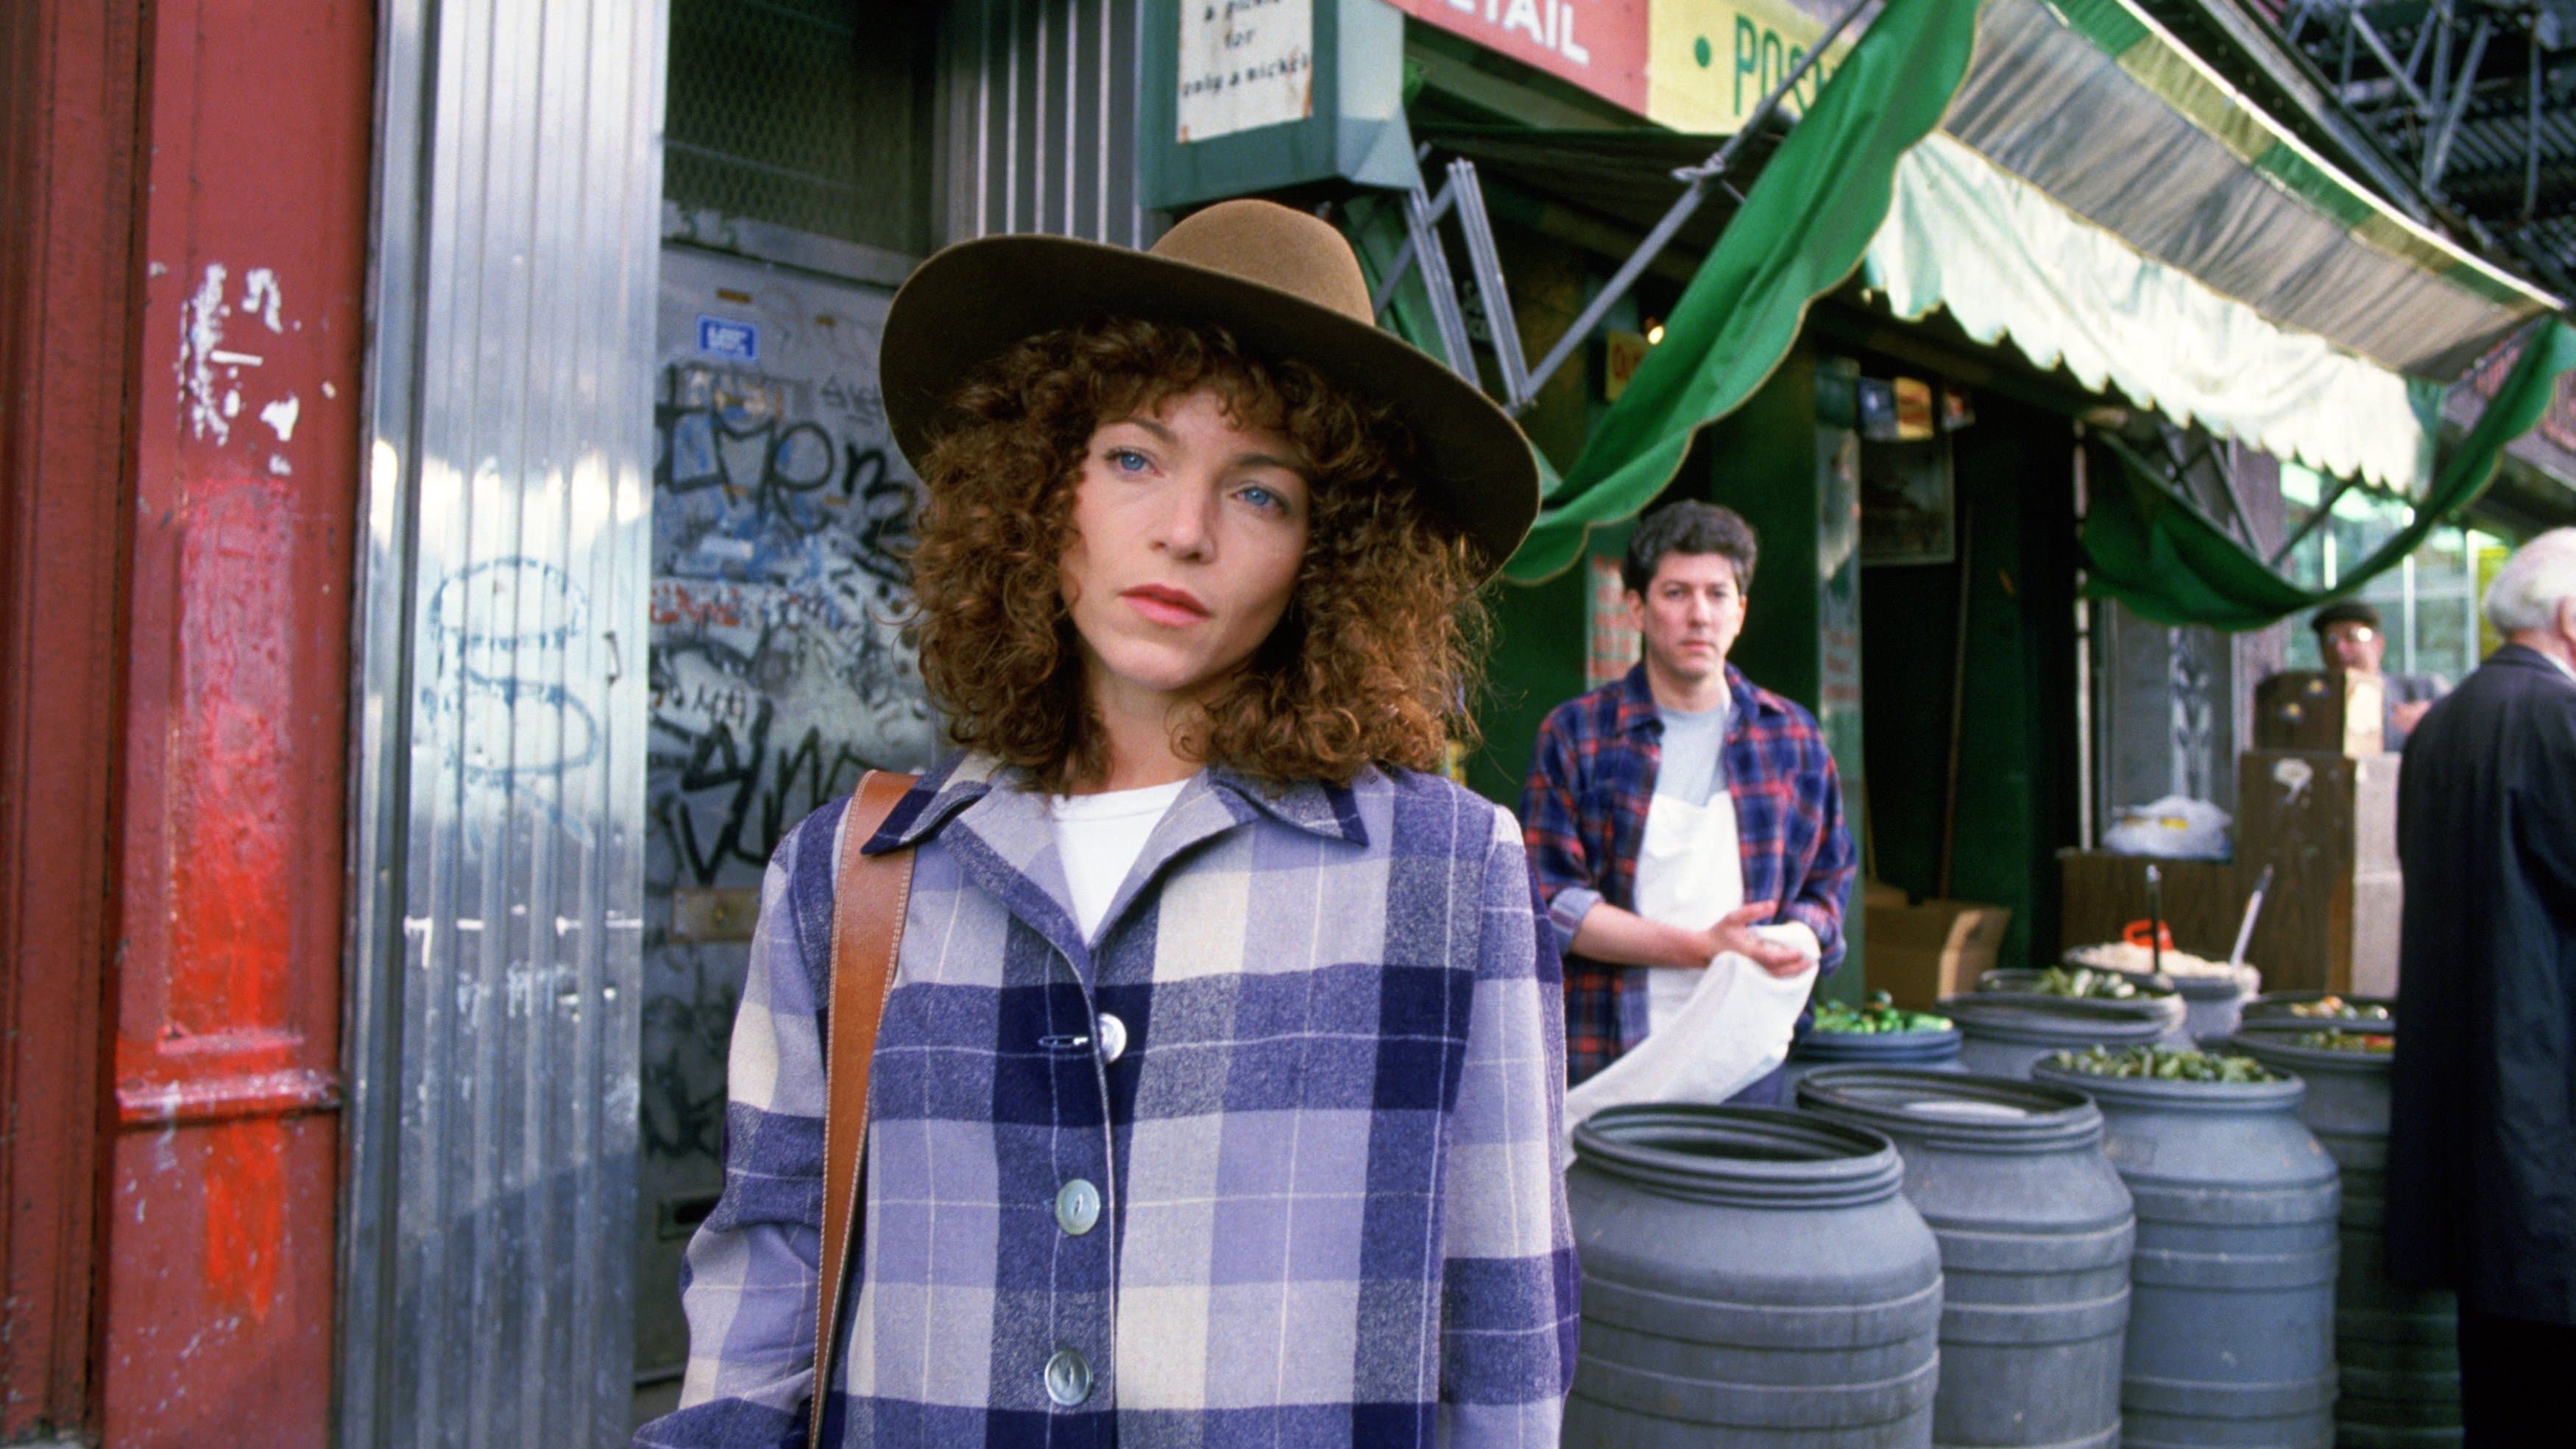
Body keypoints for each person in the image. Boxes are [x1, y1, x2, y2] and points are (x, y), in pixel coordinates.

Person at [636, 200, 1577, 1446]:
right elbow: (762, 1295)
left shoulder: (1448, 874)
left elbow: (1505, 1331)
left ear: (1330, 554)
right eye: (1134, 457)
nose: (1184, 530)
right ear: (1041, 487)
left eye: (1262, 492)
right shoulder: (851, 876)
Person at [1521, 500, 1856, 1099]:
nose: (1699, 615)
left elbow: (1827, 886)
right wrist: (1702, 948)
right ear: (1636, 608)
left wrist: (1796, 938)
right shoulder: (1578, 735)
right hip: (1609, 1055)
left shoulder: (1792, 738)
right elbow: (1549, 902)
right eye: (1676, 593)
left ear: (1741, 611)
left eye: (1717, 594)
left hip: (1747, 1058)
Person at [2385, 526, 2576, 1438]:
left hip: (2464, 1093)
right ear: (2571, 617)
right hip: (2544, 1095)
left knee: (2494, 1383)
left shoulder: (2445, 721)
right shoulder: (2558, 719)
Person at [2310, 599, 2448, 750]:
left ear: (2379, 644)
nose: (2339, 648)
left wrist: (2431, 722)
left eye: (2352, 637)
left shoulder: (2424, 691)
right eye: (2331, 640)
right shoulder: (2312, 705)